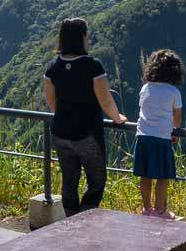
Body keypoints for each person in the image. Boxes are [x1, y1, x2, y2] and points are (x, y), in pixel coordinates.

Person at [42, 17, 125, 215]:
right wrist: (118, 118)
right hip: (87, 134)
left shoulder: (52, 67)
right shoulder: (93, 66)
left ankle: (71, 219)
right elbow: (105, 100)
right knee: (96, 181)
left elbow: (52, 103)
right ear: (82, 37)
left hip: (60, 132)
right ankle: (85, 220)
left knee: (69, 180)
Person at [133, 49, 185, 219]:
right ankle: (160, 211)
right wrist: (174, 133)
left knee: (145, 175)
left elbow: (143, 109)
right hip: (162, 139)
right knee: (163, 177)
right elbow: (177, 118)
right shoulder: (174, 92)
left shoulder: (145, 88)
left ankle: (147, 209)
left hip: (142, 136)